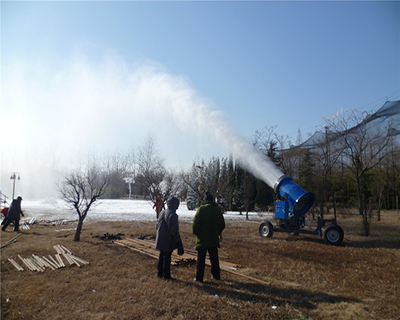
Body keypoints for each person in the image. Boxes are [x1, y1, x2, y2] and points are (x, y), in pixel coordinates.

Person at [192, 192, 225, 283]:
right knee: (214, 258)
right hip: (213, 238)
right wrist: (217, 233)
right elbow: (222, 224)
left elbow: (195, 223)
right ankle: (216, 275)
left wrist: (196, 233)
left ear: (205, 199)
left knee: (201, 259)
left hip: (202, 239)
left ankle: (199, 278)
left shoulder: (201, 209)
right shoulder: (217, 209)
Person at [155, 196, 184, 280]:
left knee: (161, 256)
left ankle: (159, 273)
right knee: (167, 257)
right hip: (167, 240)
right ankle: (166, 275)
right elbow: (174, 232)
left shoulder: (162, 212)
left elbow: (157, 226)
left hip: (160, 238)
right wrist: (179, 244)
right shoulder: (173, 215)